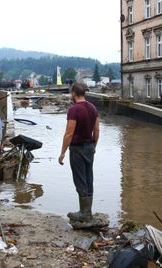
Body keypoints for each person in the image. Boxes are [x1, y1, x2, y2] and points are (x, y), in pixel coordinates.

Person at [58, 83, 99, 223]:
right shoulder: (93, 108)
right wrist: (94, 145)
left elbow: (69, 133)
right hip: (89, 147)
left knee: (80, 179)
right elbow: (97, 130)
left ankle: (84, 213)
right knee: (89, 178)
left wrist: (62, 152)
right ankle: (88, 211)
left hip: (77, 149)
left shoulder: (74, 110)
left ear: (74, 93)